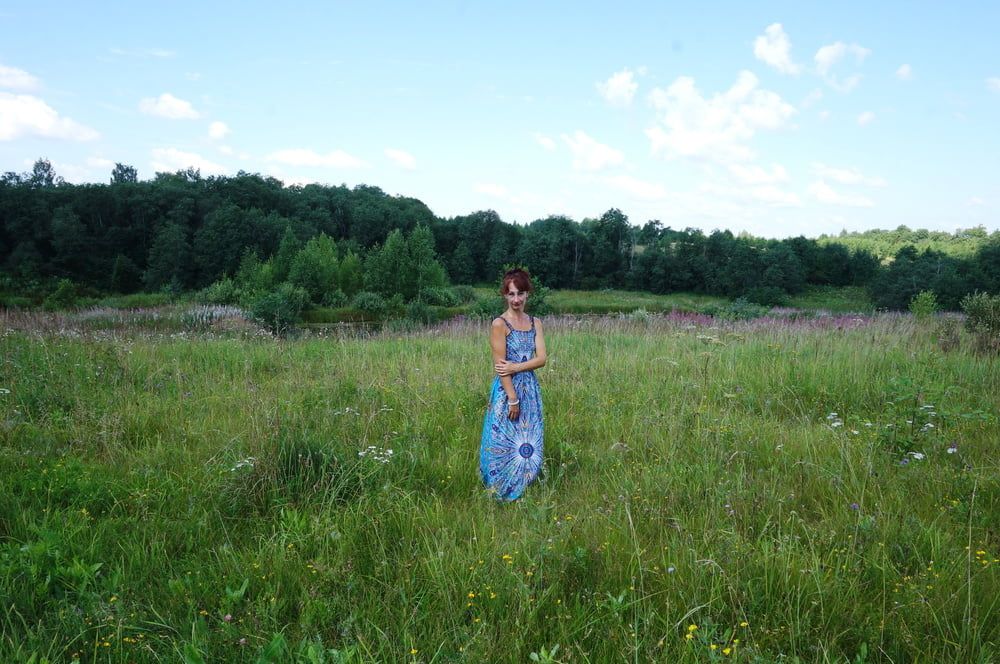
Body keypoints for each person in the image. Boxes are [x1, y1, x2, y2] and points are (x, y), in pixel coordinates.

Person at [479, 268, 547, 501]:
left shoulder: (535, 322)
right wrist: (512, 398)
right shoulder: (500, 324)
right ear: (505, 296)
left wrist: (516, 366)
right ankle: (500, 489)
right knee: (504, 438)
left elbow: (542, 359)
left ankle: (525, 486)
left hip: (530, 388)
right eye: (511, 294)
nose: (516, 299)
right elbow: (501, 367)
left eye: (520, 293)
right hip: (508, 391)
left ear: (528, 294)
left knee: (527, 437)